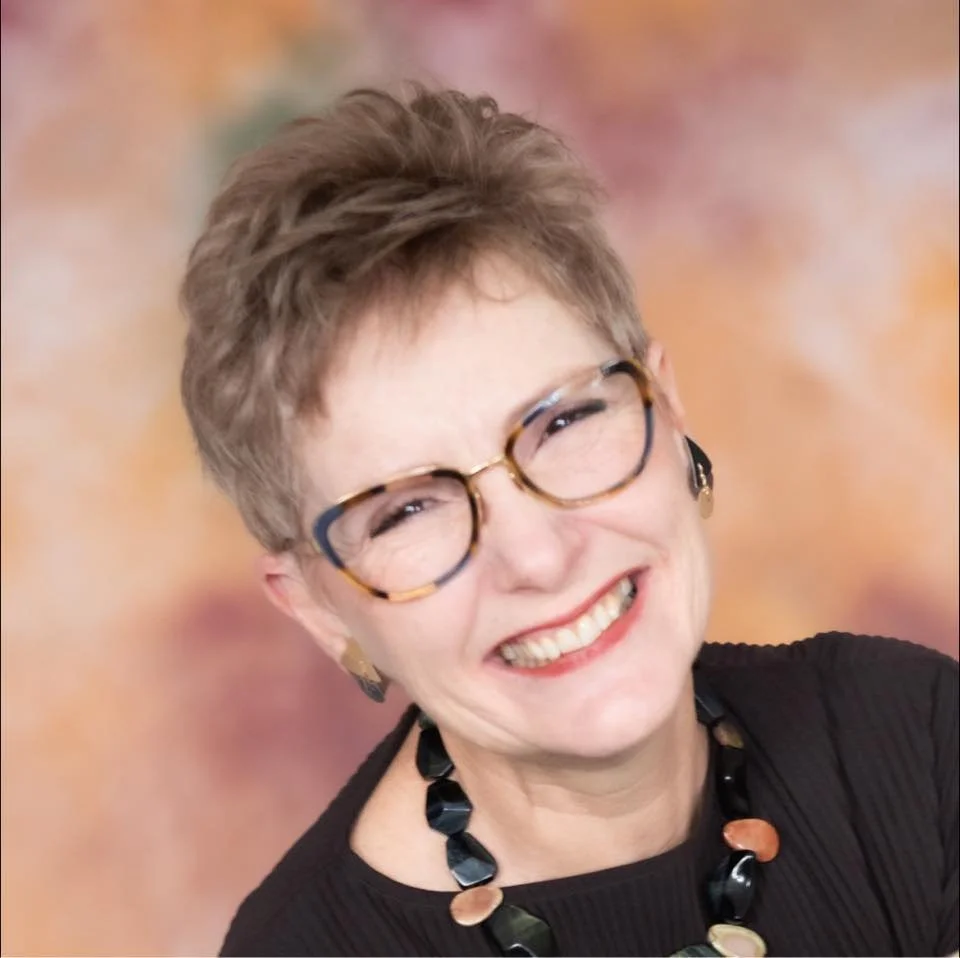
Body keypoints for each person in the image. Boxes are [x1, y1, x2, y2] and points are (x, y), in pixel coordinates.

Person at [179, 85, 958, 957]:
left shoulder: (910, 739)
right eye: (406, 511)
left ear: (668, 408)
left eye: (564, 424)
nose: (539, 555)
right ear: (319, 606)